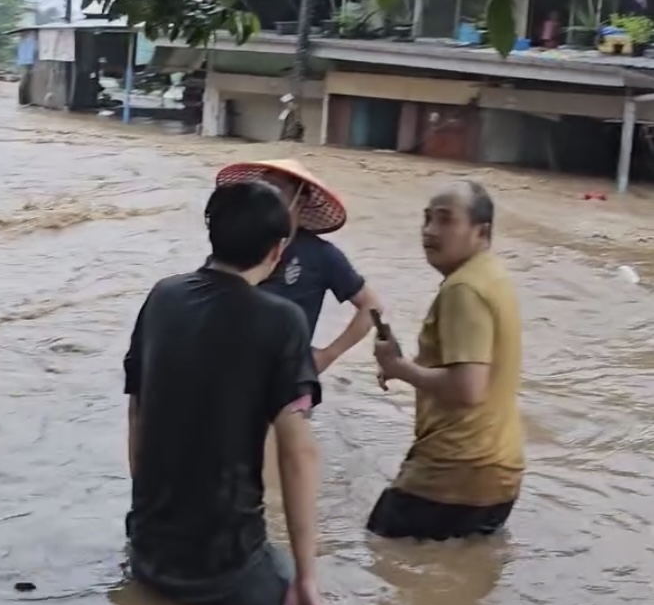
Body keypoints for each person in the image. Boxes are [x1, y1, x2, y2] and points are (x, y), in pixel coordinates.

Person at [124, 179, 322, 605]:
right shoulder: (283, 321)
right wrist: (307, 577)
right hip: (227, 569)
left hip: (148, 554)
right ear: (277, 251)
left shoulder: (162, 297)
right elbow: (298, 455)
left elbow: (137, 410)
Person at [369, 180, 524, 541]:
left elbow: (468, 387)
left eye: (444, 220)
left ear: (481, 231)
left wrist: (398, 368)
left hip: (454, 468)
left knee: (379, 558)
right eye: (426, 219)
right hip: (500, 470)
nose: (429, 231)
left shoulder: (463, 289)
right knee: (456, 579)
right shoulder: (492, 275)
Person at [214, 159, 384, 375]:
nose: (266, 196)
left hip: (289, 376)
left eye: (276, 189)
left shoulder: (322, 255)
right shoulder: (240, 241)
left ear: (300, 201)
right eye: (263, 187)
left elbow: (372, 306)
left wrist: (327, 355)